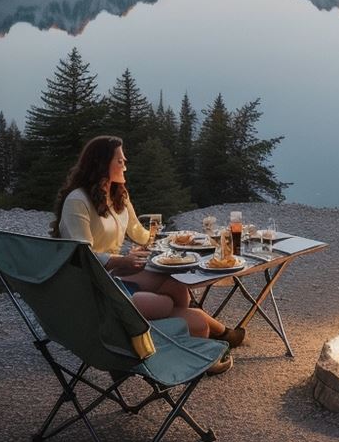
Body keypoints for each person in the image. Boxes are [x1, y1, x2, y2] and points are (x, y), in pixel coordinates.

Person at [51, 136, 243, 373]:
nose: (125, 165)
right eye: (120, 161)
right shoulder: (77, 201)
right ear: (101, 164)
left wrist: (164, 240)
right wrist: (122, 260)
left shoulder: (118, 194)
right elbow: (81, 254)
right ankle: (206, 336)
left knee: (176, 285)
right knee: (171, 306)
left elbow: (137, 232)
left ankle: (211, 335)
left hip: (114, 275)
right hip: (94, 287)